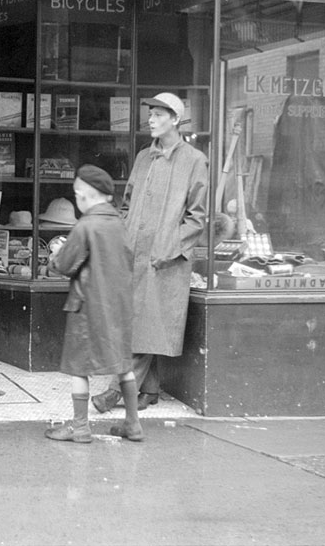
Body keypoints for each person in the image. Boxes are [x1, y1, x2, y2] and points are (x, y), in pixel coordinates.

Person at [90, 92, 208, 414]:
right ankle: (151, 390)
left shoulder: (194, 160)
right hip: (135, 254)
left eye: (157, 115)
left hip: (165, 260)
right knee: (142, 324)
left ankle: (115, 391)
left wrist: (169, 247)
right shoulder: (144, 157)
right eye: (151, 115)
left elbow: (197, 217)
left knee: (144, 325)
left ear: (175, 119)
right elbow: (127, 203)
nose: (151, 120)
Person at [45, 164, 143, 443]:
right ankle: (133, 424)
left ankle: (80, 427)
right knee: (123, 364)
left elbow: (65, 264)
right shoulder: (119, 223)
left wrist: (55, 253)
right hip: (118, 308)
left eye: (77, 194)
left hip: (86, 308)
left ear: (84, 194)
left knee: (79, 367)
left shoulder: (85, 225)